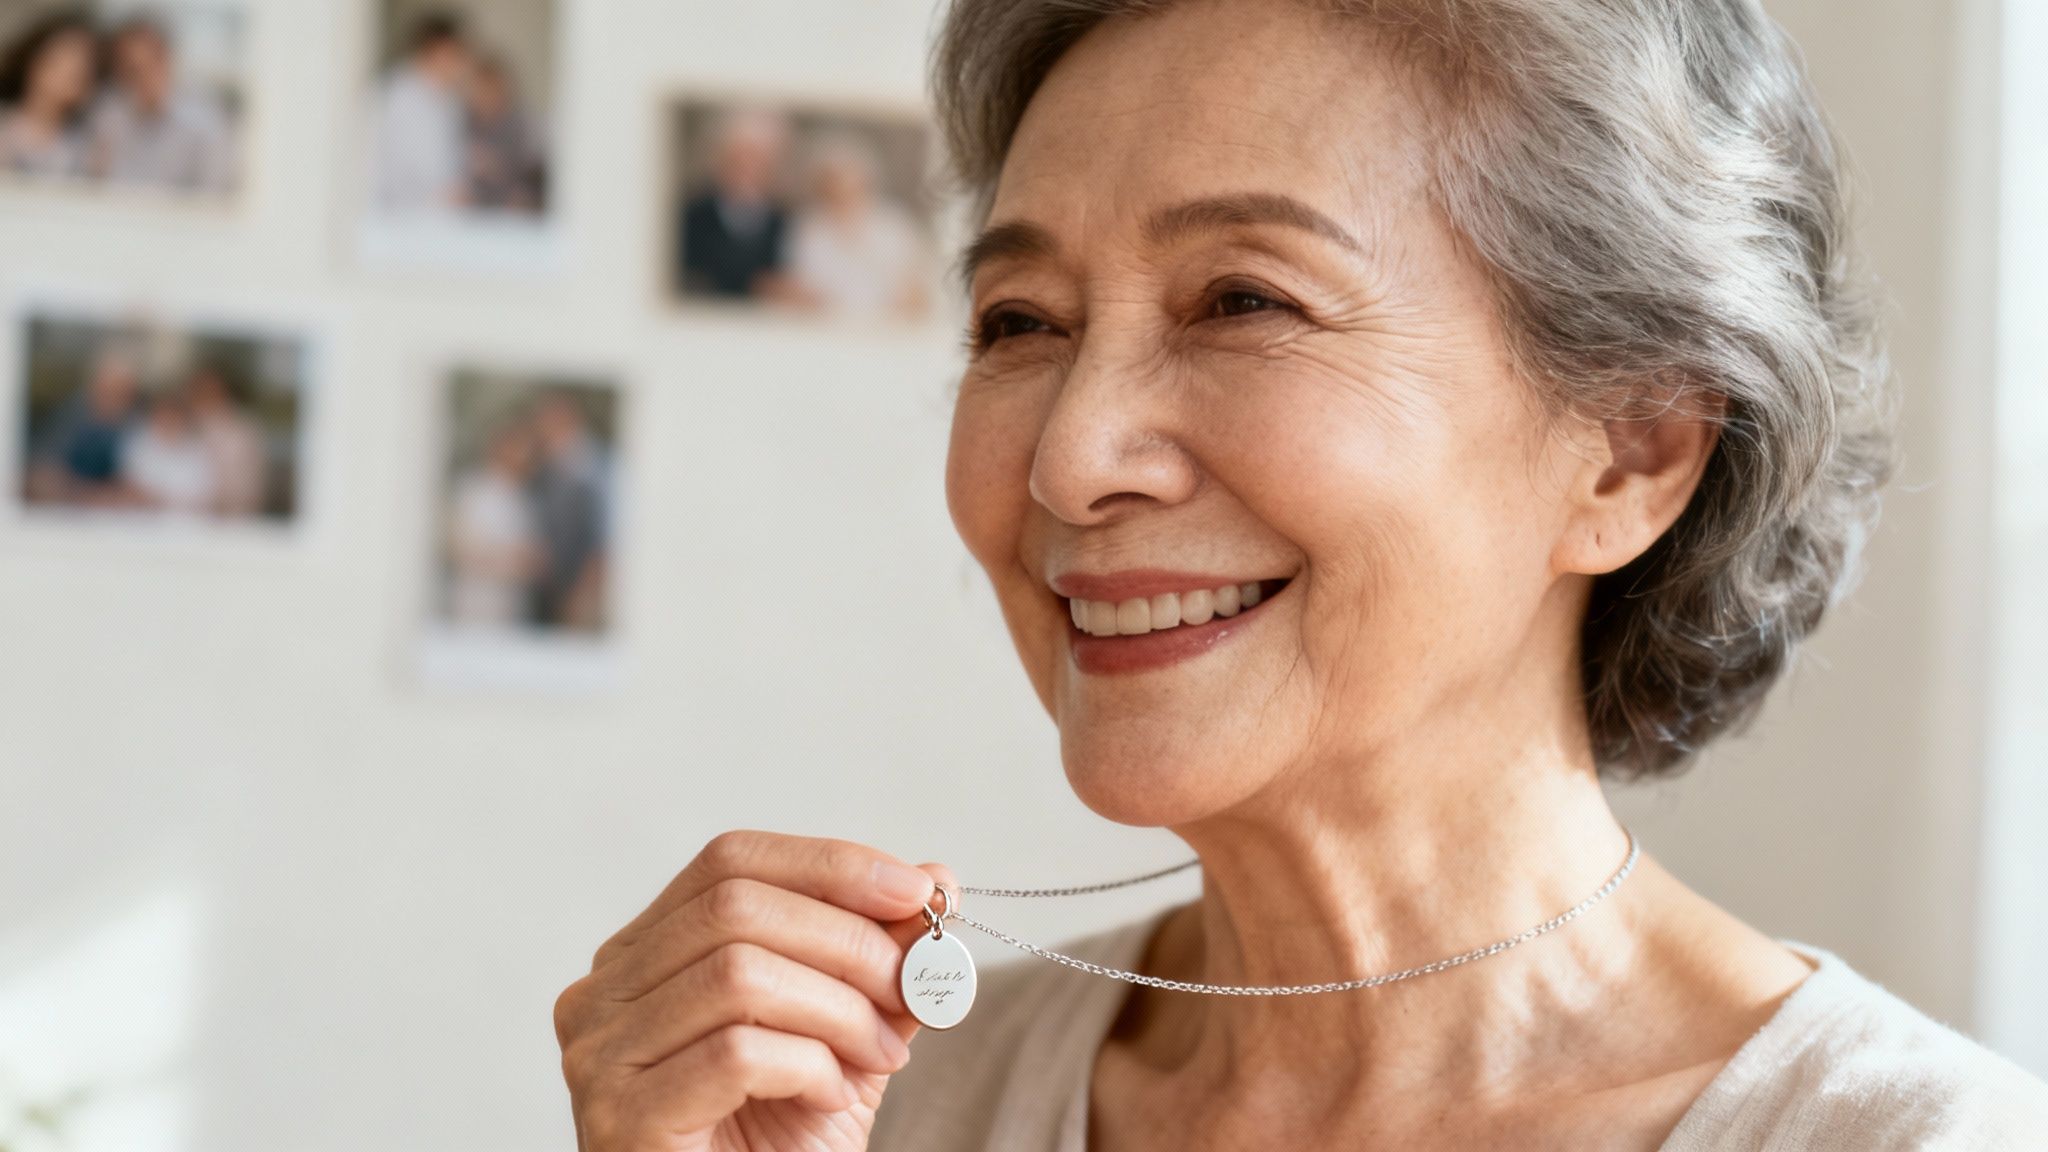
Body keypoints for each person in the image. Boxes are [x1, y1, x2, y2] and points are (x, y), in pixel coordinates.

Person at [552, 0, 2048, 1149]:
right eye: (1020, 322)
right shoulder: (880, 1101)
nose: (1072, 459)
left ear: (1631, 452)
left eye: (1244, 300)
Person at [782, 133, 931, 322]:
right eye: (831, 181)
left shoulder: (893, 224)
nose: (841, 190)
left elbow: (916, 290)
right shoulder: (807, 226)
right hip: (821, 329)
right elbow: (796, 287)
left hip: (885, 332)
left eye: (849, 181)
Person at [88, 11, 238, 196]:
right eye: (132, 70)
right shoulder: (109, 115)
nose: (144, 78)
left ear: (167, 59)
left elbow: (213, 195)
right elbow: (94, 185)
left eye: (150, 65)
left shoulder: (206, 122)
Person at [677, 106, 794, 301]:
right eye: (739, 154)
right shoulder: (693, 214)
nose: (747, 166)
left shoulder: (784, 220)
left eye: (757, 157)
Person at [368, 11, 471, 216]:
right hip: (397, 222)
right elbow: (386, 172)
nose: (463, 64)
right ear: (440, 51)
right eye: (459, 54)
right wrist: (436, 199)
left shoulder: (449, 103)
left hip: (436, 225)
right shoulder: (394, 96)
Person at [445, 416, 543, 628]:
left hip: (512, 613)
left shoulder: (524, 499)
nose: (523, 455)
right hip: (474, 609)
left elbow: (534, 556)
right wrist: (513, 561)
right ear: (500, 447)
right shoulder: (473, 490)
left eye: (528, 449)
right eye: (517, 446)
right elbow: (461, 550)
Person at [526, 390, 610, 631]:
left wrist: (584, 591)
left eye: (550, 419)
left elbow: (605, 536)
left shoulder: (598, 467)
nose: (543, 427)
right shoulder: (547, 465)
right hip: (548, 588)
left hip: (582, 590)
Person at [25, 343, 145, 508]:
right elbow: (42, 472)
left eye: (123, 390)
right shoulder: (71, 416)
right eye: (111, 387)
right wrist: (82, 493)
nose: (116, 396)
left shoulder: (135, 424)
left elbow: (140, 484)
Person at [0, 10, 96, 180]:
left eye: (86, 59)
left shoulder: (88, 150)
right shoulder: (6, 132)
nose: (78, 66)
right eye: (67, 53)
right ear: (35, 60)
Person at [462, 52, 545, 213]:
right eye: (481, 90)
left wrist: (499, 170)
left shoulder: (522, 126)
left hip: (512, 214)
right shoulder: (463, 124)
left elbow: (534, 178)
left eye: (492, 89)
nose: (486, 97)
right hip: (473, 216)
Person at [185, 363, 265, 517]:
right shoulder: (182, 422)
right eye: (199, 389)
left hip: (232, 518)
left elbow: (251, 488)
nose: (205, 393)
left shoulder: (244, 429)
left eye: (210, 388)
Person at [120, 389, 215, 516]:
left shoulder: (198, 449)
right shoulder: (138, 445)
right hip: (141, 521)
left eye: (173, 415)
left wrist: (159, 498)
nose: (167, 419)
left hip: (187, 522)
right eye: (162, 414)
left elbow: (206, 494)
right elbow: (129, 486)